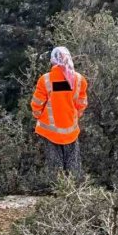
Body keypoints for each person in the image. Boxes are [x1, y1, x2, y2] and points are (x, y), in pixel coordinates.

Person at [30, 46, 88, 181]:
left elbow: (37, 103)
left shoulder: (45, 80)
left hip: (50, 131)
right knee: (73, 162)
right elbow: (82, 104)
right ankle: (74, 190)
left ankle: (57, 191)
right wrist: (75, 116)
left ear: (53, 60)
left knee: (55, 164)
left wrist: (38, 115)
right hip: (71, 130)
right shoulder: (79, 80)